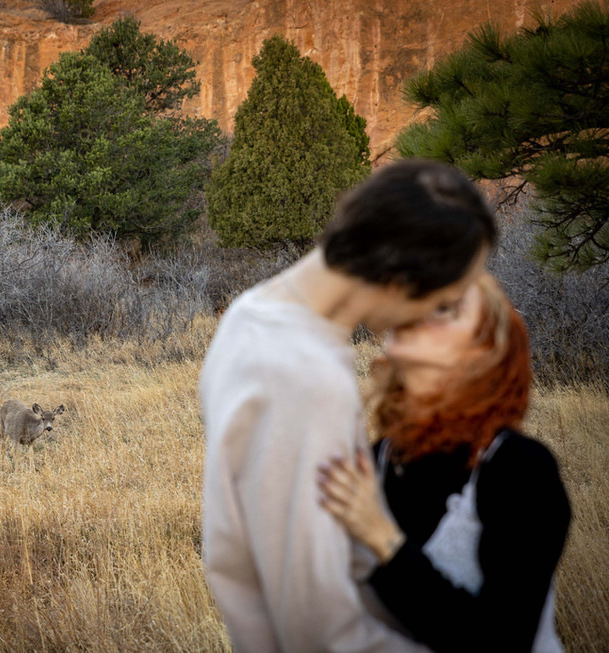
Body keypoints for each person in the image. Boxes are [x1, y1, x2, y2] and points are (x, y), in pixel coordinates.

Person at [200, 159, 497, 652]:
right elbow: (320, 630)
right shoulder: (304, 376)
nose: (432, 318)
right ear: (402, 280)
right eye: (444, 301)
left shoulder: (250, 314)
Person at [317, 274, 571, 652]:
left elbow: (503, 640)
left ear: (483, 353)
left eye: (445, 309)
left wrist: (381, 538)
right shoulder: (379, 460)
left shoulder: (521, 470)